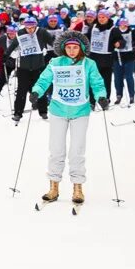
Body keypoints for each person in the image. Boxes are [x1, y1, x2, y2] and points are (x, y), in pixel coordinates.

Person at [30, 31, 107, 205]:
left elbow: (97, 82)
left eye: (75, 48)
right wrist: (36, 91)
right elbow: (44, 80)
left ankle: (78, 188)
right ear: (64, 48)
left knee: (77, 151)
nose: (72, 51)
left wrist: (101, 96)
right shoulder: (56, 62)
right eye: (69, 48)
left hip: (80, 111)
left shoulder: (89, 64)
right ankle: (54, 187)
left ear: (81, 48)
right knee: (56, 150)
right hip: (58, 110)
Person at [6, 16, 54, 121]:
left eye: (32, 27)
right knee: (21, 91)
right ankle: (18, 113)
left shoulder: (42, 32)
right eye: (28, 28)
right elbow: (12, 46)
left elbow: (52, 42)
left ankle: (43, 111)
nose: (30, 30)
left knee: (40, 89)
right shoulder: (20, 33)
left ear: (36, 25)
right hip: (24, 67)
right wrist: (6, 57)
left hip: (38, 66)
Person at [113, 18, 135, 105]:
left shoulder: (132, 31)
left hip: (129, 56)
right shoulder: (115, 31)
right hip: (118, 56)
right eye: (121, 24)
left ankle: (132, 95)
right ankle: (119, 95)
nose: (123, 26)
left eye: (125, 24)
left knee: (129, 77)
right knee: (118, 77)